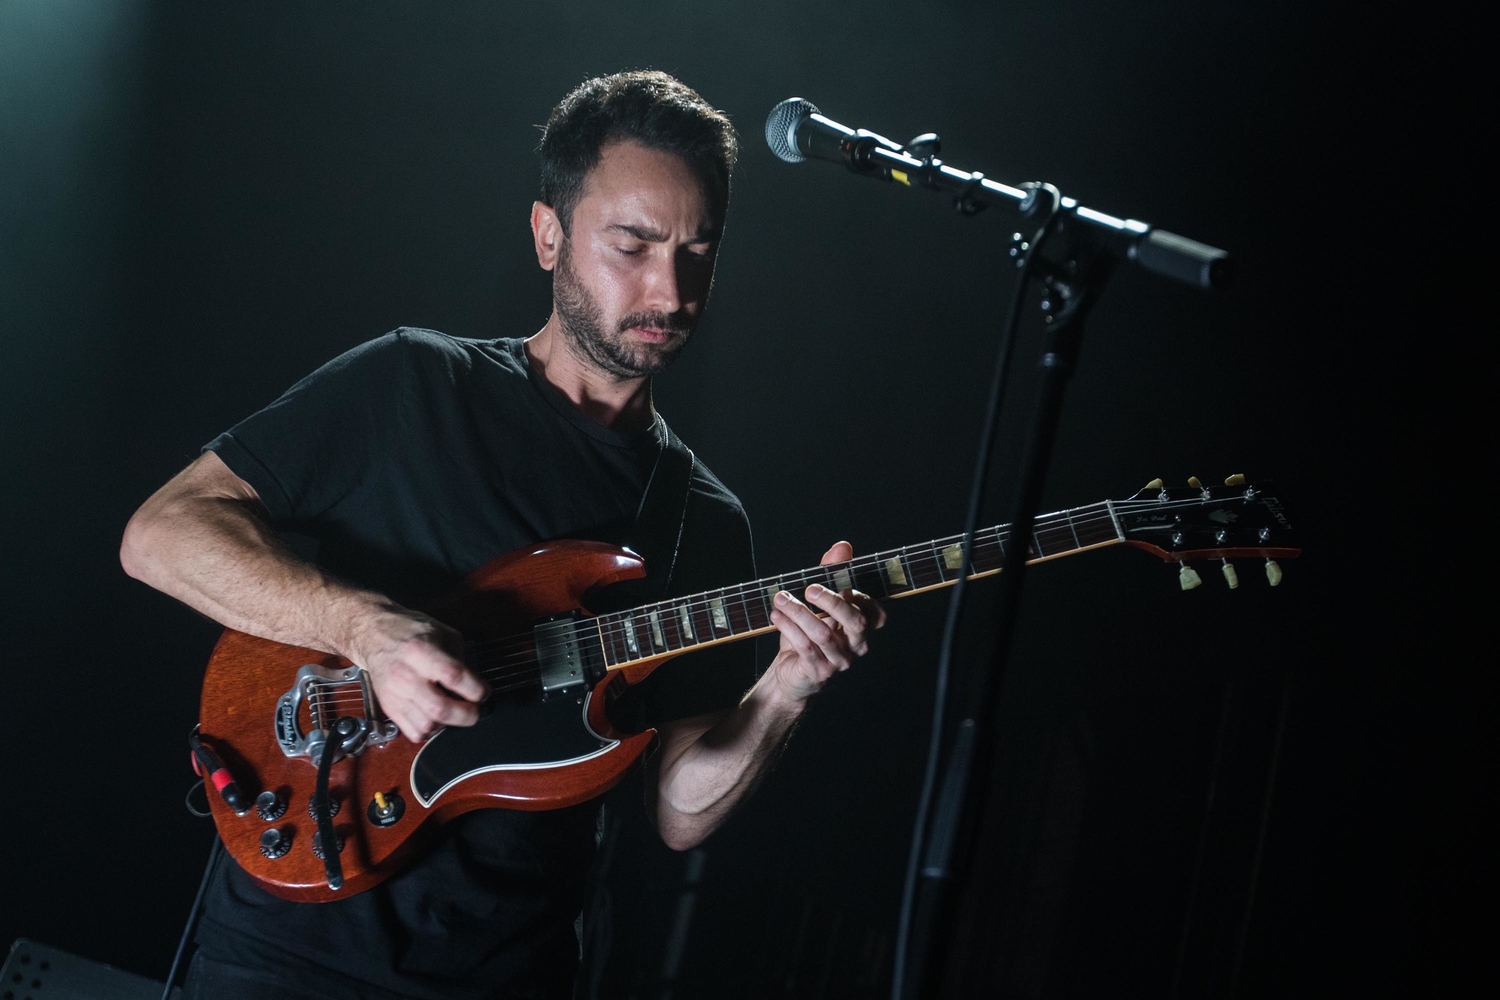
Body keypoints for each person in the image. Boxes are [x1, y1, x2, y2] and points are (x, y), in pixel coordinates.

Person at [120, 70, 884, 999]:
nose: (669, 287)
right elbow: (161, 532)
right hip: (283, 957)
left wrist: (786, 690)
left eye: (697, 250)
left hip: (506, 973)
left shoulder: (702, 522)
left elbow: (680, 810)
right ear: (548, 235)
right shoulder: (412, 386)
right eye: (633, 245)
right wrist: (364, 629)